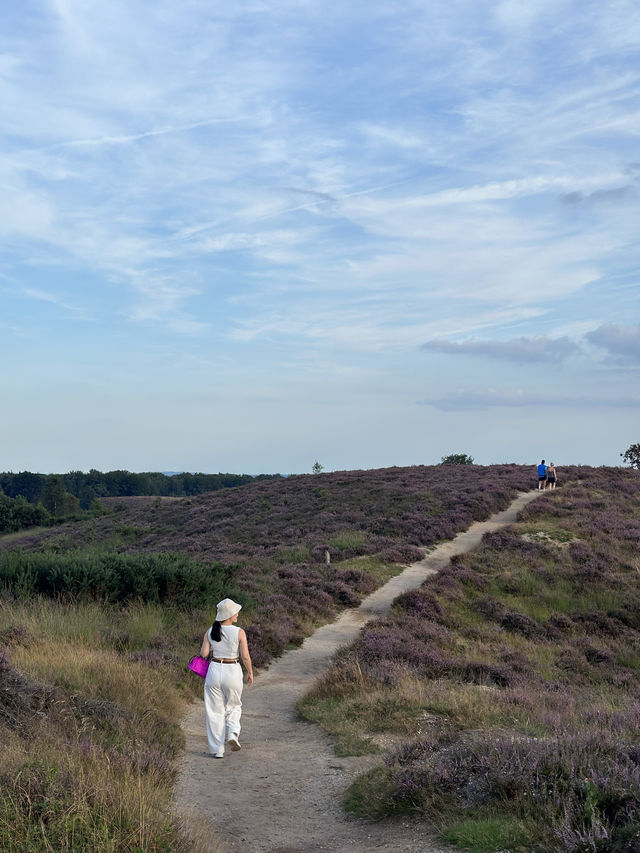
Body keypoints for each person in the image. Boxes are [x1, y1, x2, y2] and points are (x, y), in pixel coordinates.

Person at [200, 598, 253, 758]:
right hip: (232, 670)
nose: (237, 614)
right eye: (236, 611)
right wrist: (250, 672)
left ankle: (217, 750)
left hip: (214, 670)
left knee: (214, 711)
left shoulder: (210, 631)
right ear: (230, 614)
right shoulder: (239, 632)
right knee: (234, 706)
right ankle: (232, 733)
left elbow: (203, 655)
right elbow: (245, 656)